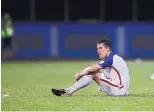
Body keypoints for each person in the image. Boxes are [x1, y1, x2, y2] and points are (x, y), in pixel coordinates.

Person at [51, 39, 130, 96]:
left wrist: (80, 74)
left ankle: (68, 92)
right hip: (119, 89)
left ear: (108, 49)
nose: (98, 51)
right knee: (90, 71)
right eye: (97, 48)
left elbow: (93, 69)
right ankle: (68, 91)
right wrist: (84, 72)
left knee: (92, 72)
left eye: (100, 48)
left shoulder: (111, 58)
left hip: (119, 90)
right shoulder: (114, 57)